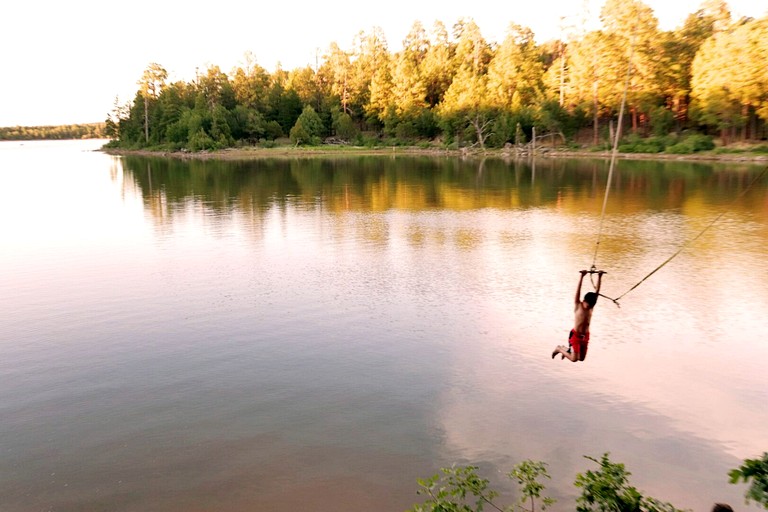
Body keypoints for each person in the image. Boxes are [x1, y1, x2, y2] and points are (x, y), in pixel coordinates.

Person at [552, 270, 604, 362]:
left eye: (591, 306)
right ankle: (559, 349)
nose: (589, 307)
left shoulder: (591, 307)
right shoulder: (578, 305)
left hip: (585, 336)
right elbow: (578, 290)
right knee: (574, 359)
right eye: (588, 305)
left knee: (581, 358)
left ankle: (566, 349)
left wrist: (600, 277)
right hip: (575, 336)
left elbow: (597, 293)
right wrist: (582, 276)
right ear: (583, 301)